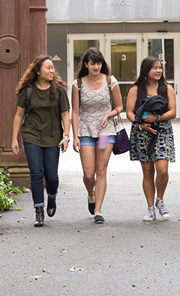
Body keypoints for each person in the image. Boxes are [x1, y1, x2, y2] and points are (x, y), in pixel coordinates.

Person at [11, 55, 71, 228]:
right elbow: (19, 115)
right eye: (48, 68)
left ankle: (51, 195)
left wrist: (66, 137)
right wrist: (14, 139)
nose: (52, 71)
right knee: (36, 173)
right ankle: (39, 210)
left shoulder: (58, 90)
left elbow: (65, 114)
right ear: (38, 71)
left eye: (53, 68)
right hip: (32, 136)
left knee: (51, 176)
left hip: (53, 137)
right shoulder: (28, 90)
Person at [71, 47, 122, 224]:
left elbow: (119, 107)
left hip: (104, 133)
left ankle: (98, 210)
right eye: (92, 63)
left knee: (101, 170)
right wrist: (74, 136)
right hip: (85, 132)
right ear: (86, 64)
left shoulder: (110, 81)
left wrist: (108, 115)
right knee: (88, 173)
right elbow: (75, 112)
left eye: (99, 63)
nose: (96, 67)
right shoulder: (77, 84)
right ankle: (90, 194)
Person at [126, 56, 177, 222]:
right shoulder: (136, 89)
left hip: (162, 131)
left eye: (160, 67)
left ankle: (160, 200)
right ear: (146, 70)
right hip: (141, 132)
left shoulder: (166, 88)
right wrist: (141, 125)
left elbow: (173, 112)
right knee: (147, 172)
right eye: (154, 67)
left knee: (162, 170)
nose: (158, 70)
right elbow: (129, 113)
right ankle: (150, 208)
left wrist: (156, 118)